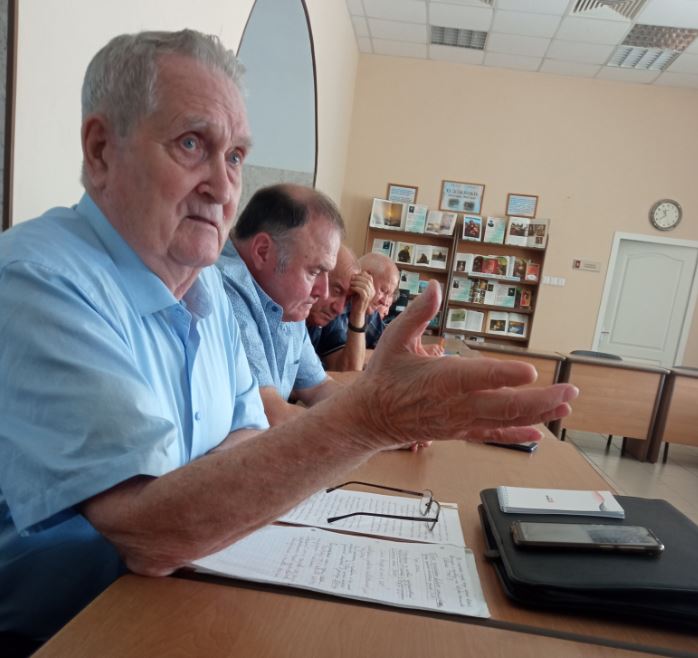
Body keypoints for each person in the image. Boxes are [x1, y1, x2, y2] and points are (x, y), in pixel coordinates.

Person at [0, 29, 578, 643]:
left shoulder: (205, 289)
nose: (224, 187)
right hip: (61, 631)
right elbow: (146, 533)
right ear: (100, 150)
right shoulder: (39, 280)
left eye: (235, 157)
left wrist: (375, 418)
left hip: (171, 599)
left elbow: (246, 437)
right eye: (191, 144)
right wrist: (372, 420)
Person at [216, 184, 347, 426]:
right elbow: (270, 415)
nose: (323, 292)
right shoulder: (223, 288)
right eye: (314, 272)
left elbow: (319, 388)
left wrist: (384, 416)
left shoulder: (285, 297)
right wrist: (371, 430)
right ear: (263, 251)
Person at [307, 244, 375, 371]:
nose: (339, 309)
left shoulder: (326, 318)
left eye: (348, 298)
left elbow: (349, 371)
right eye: (336, 291)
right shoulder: (286, 312)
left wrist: (358, 314)